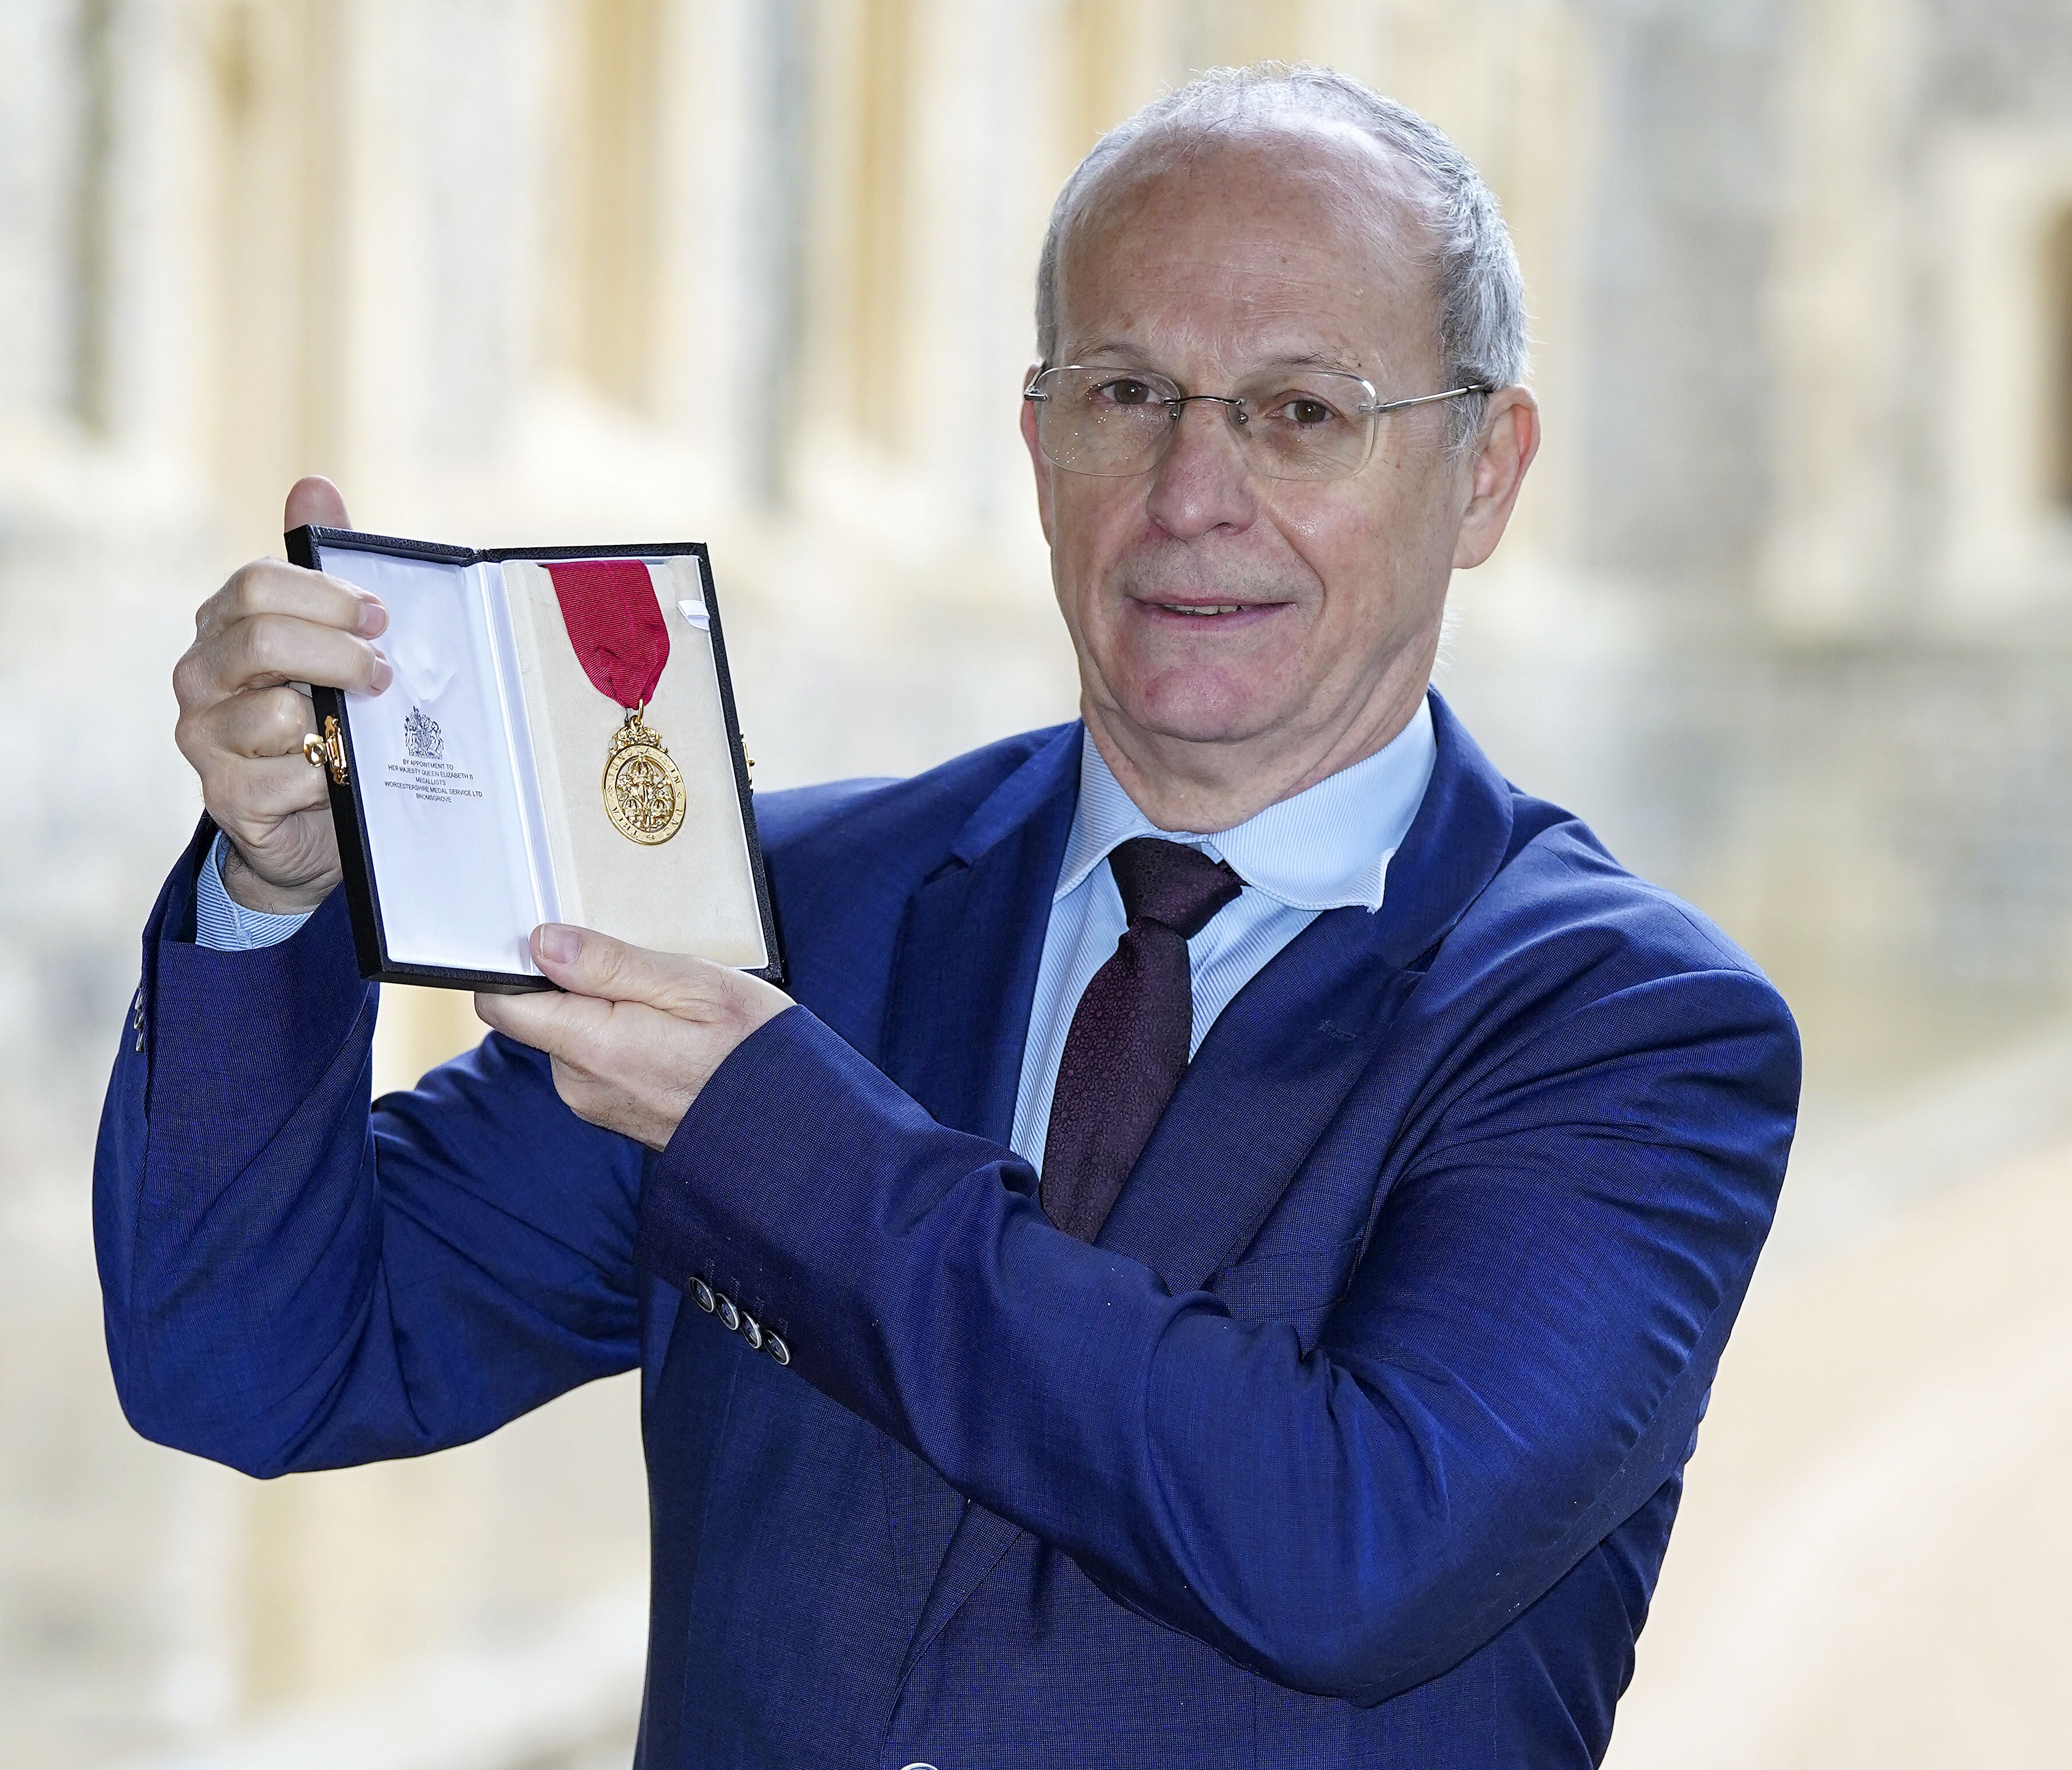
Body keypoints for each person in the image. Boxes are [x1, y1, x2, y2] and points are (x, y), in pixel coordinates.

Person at [98, 65, 1797, 1769]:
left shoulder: (1634, 1031)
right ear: (1039, 443)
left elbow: (1356, 1546)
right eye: (1128, 391)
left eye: (1302, 412)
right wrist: (277, 888)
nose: (1193, 491)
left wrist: (780, 1134)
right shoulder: (781, 915)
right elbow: (253, 1362)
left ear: (1486, 472)